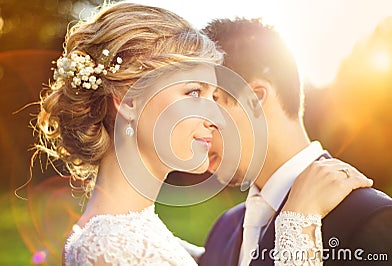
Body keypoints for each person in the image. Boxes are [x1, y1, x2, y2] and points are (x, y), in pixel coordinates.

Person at [32, 3, 373, 265]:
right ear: (130, 100)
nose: (213, 115)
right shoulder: (110, 250)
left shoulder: (145, 237)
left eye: (214, 97)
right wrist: (297, 221)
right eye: (194, 93)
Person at [199, 18, 392, 266]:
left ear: (253, 99)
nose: (196, 132)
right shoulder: (222, 232)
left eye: (205, 106)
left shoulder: (371, 216)